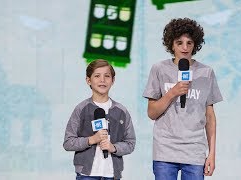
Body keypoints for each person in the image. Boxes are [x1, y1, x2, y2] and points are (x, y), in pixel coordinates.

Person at [142, 18, 223, 180]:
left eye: (189, 43)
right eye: (179, 43)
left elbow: (210, 117)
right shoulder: (159, 69)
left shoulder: (206, 72)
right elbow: (152, 113)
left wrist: (212, 154)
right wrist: (173, 92)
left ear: (196, 44)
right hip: (165, 150)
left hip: (194, 151)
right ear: (171, 45)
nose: (185, 48)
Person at [63, 59, 136, 180]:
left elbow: (130, 143)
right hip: (86, 175)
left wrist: (114, 147)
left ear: (113, 80)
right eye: (97, 76)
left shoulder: (121, 111)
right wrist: (92, 139)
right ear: (88, 80)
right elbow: (68, 143)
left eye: (107, 76)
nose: (102, 80)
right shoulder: (81, 109)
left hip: (112, 175)